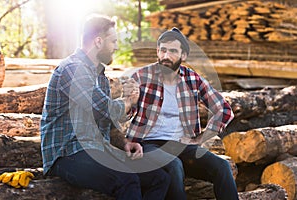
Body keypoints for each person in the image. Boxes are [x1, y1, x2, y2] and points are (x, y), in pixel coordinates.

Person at [40, 14, 170, 200]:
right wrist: (128, 101)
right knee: (127, 180)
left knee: (159, 179)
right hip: (67, 154)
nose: (116, 46)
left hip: (95, 151)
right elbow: (104, 109)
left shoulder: (99, 76)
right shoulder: (73, 68)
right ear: (99, 41)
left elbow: (105, 121)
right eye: (114, 41)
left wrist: (125, 144)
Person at [126, 27, 239, 200]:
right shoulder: (142, 76)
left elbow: (223, 109)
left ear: (183, 56)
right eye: (162, 50)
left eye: (172, 51)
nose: (166, 56)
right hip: (148, 144)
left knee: (222, 166)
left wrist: (200, 139)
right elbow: (124, 114)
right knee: (174, 165)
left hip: (183, 145)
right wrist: (129, 102)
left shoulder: (192, 79)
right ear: (157, 51)